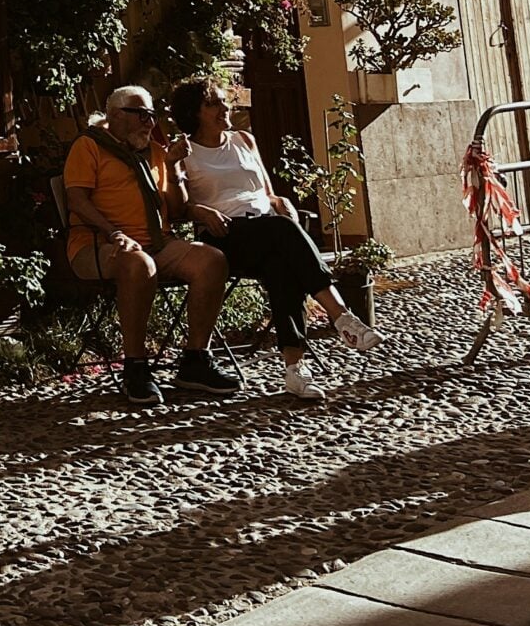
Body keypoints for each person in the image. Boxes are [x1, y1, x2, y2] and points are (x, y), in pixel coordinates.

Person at [166, 77, 381, 401]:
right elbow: (176, 208)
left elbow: (267, 192)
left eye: (224, 101)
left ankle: (295, 370)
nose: (225, 107)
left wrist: (283, 203)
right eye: (214, 103)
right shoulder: (184, 150)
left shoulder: (244, 140)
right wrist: (199, 208)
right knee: (281, 231)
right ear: (193, 112)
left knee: (282, 264)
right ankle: (341, 316)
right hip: (225, 236)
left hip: (266, 230)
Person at [62, 84, 242, 403]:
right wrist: (114, 232)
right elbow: (77, 201)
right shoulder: (89, 146)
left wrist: (173, 167)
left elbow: (175, 209)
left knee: (212, 260)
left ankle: (195, 360)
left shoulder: (156, 151)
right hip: (97, 244)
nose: (150, 122)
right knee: (138, 263)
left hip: (157, 242)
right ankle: (135, 367)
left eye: (152, 116)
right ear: (116, 115)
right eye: (142, 115)